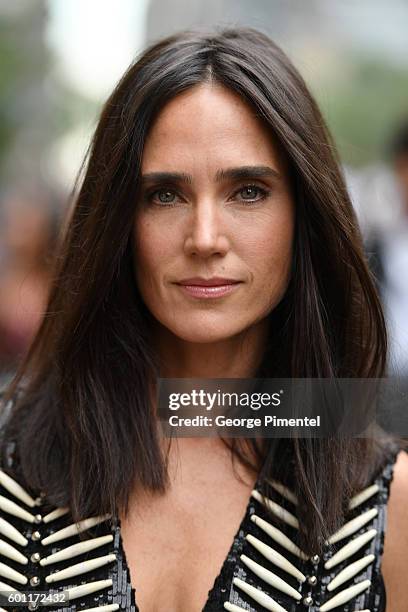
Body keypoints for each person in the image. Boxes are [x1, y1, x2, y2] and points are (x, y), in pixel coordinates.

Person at [0, 27, 407, 612]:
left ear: (304, 215)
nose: (205, 239)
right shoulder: (16, 461)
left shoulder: (385, 503)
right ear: (118, 220)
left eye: (247, 191)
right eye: (165, 195)